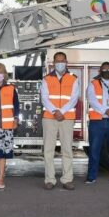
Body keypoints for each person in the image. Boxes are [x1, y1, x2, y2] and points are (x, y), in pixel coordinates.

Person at [41, 51, 80, 190]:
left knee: (67, 150)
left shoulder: (73, 78)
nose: (60, 63)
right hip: (49, 117)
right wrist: (54, 111)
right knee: (48, 150)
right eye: (57, 61)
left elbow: (74, 98)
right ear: (53, 63)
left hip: (67, 118)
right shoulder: (46, 79)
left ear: (66, 62)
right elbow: (44, 98)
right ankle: (50, 180)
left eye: (62, 61)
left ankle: (67, 179)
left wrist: (61, 112)